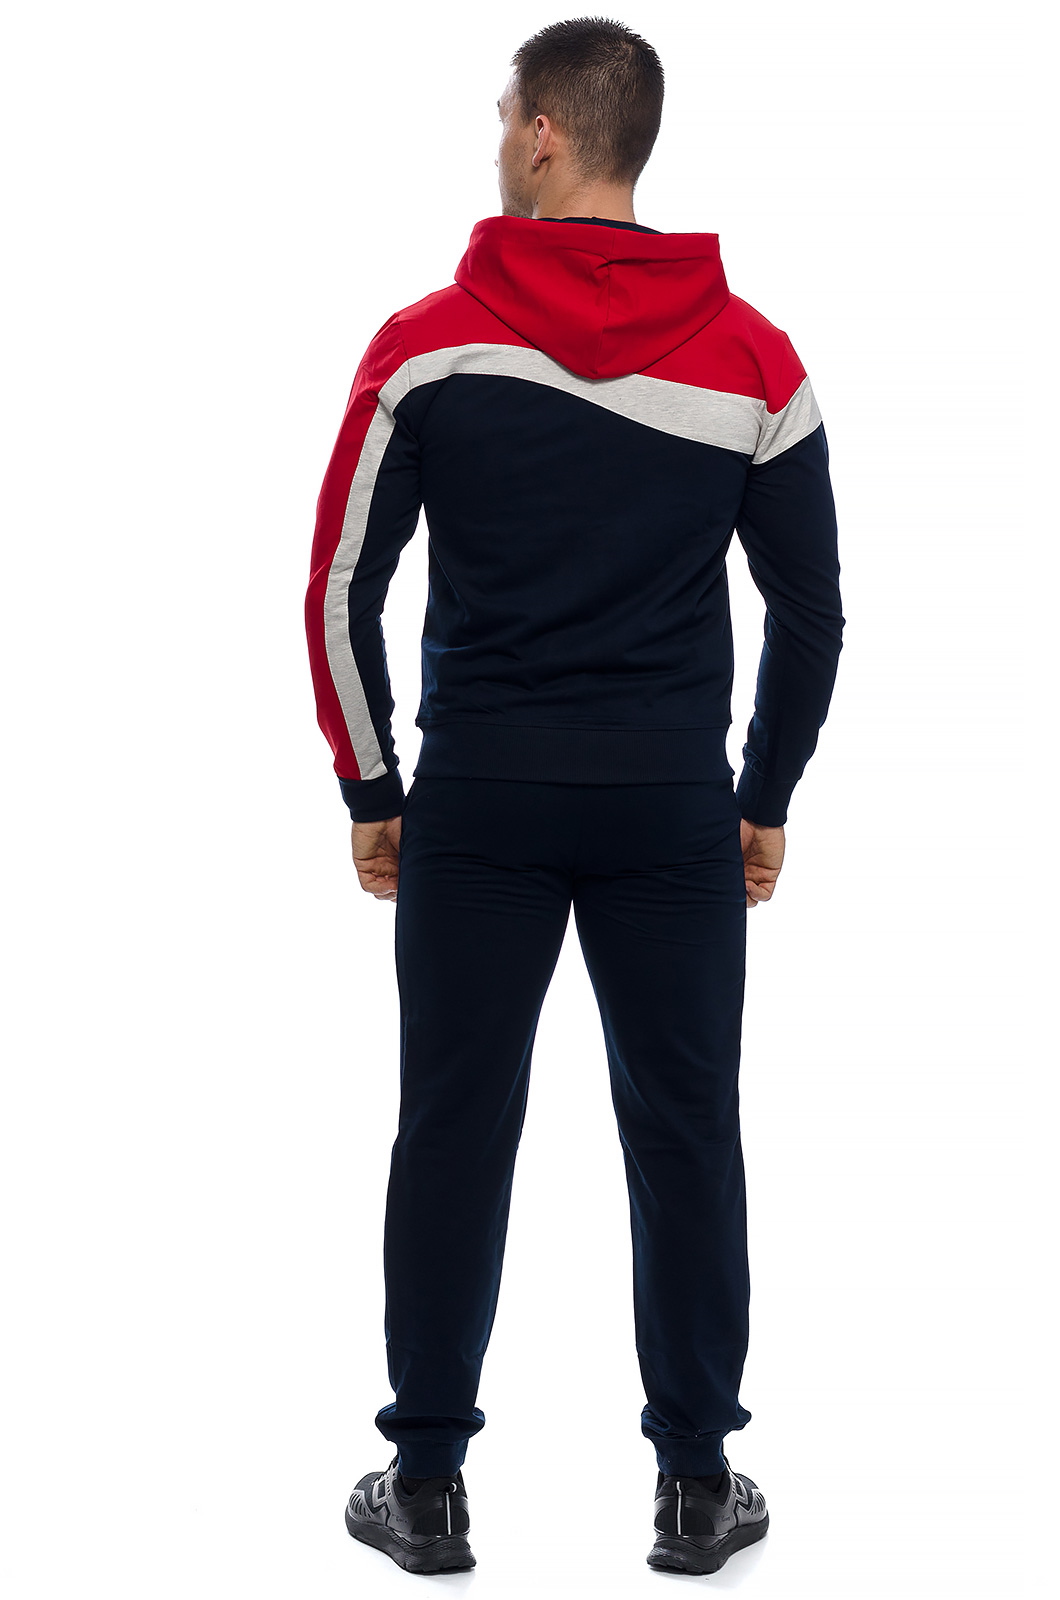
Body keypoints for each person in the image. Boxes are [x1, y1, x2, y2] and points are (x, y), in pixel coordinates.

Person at [305, 15, 844, 1579]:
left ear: (547, 129)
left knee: (452, 1129)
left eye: (503, 112)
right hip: (669, 809)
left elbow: (337, 586)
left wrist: (371, 784)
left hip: (478, 803)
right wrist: (762, 796)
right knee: (687, 1132)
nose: (496, 137)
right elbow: (812, 614)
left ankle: (424, 1486)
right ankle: (696, 1487)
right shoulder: (756, 360)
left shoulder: (426, 345)